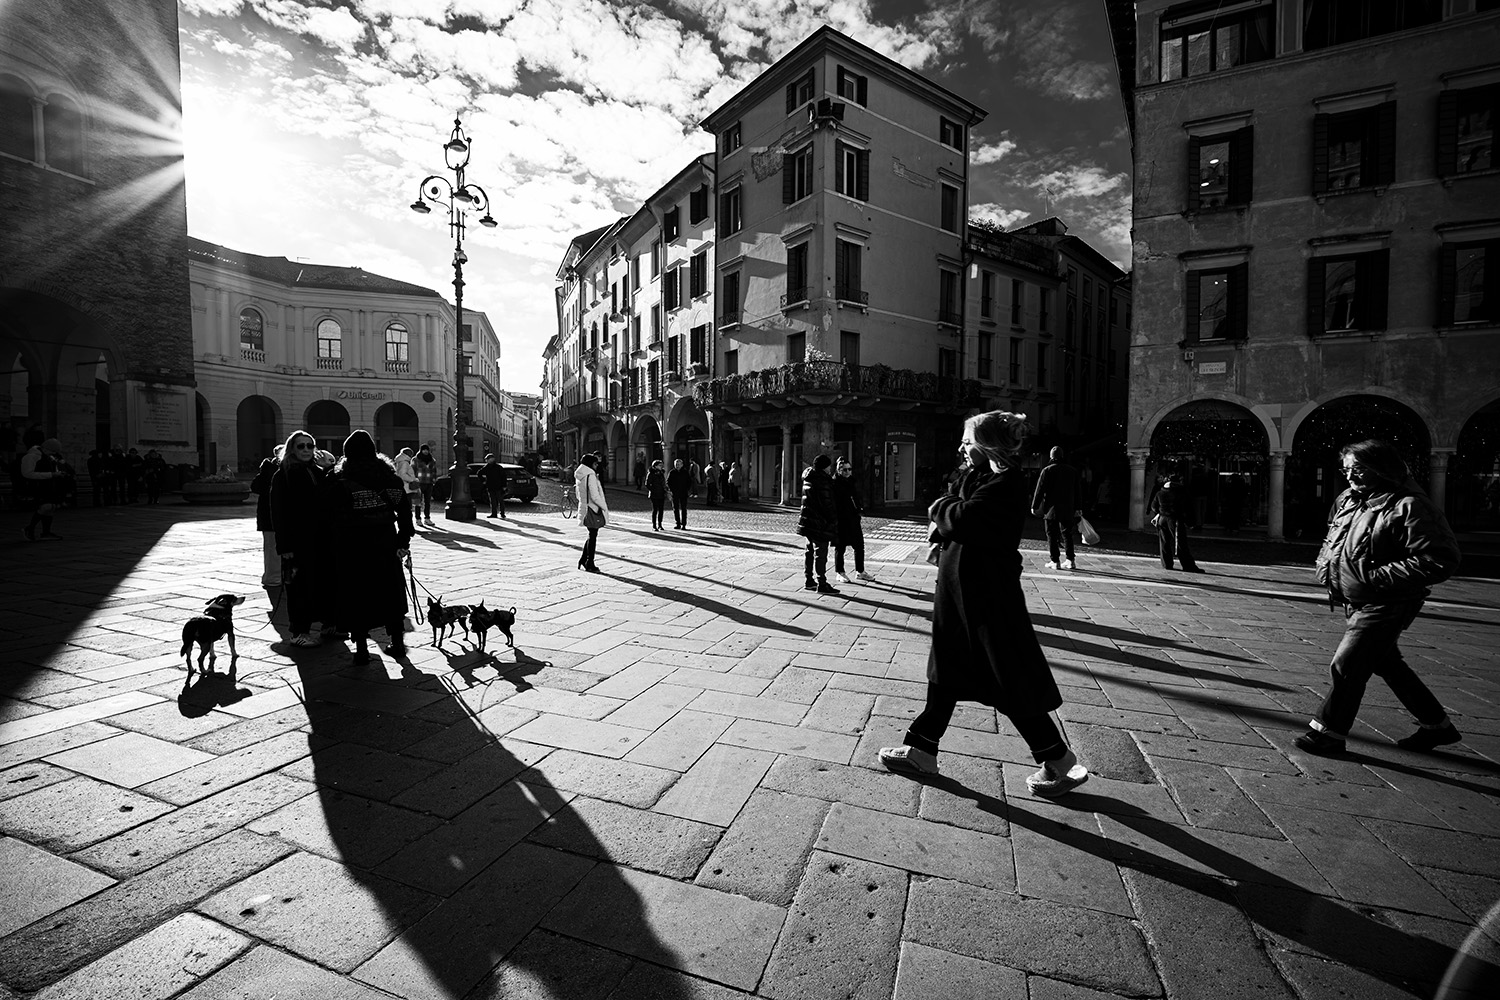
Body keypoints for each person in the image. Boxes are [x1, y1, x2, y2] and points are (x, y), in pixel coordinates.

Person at [879, 411, 1088, 797]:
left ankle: (1059, 760)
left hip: (987, 601)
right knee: (947, 673)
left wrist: (938, 509)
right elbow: (958, 515)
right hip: (963, 598)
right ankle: (922, 749)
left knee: (1008, 681)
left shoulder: (1006, 485)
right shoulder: (982, 478)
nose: (961, 446)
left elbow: (961, 517)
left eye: (967, 440)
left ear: (987, 444)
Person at [1294, 440, 1464, 756]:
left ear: (1381, 468)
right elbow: (1333, 539)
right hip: (1355, 598)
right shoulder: (1348, 499)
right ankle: (1437, 726)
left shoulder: (1409, 505)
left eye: (1358, 469)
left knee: (1348, 664)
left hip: (1388, 601)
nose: (1350, 476)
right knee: (1389, 664)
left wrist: (1376, 578)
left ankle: (1328, 734)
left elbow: (1441, 557)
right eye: (1346, 469)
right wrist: (1325, 567)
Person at [326, 430, 414, 664]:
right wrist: (402, 542)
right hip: (384, 541)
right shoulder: (390, 480)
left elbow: (328, 516)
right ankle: (397, 641)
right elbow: (405, 515)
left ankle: (362, 649)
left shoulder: (337, 481)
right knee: (390, 592)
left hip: (350, 544)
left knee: (356, 594)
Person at [271, 430, 332, 647]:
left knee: (321, 583)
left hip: (319, 539)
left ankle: (327, 623)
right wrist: (284, 545)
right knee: (298, 588)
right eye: (301, 446)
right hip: (297, 541)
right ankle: (299, 632)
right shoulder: (283, 475)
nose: (306, 450)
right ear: (291, 449)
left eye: (310, 445)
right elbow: (278, 513)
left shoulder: (316, 471)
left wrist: (328, 467)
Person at [1032, 446, 1081, 570]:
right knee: (1067, 534)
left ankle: (1055, 560)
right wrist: (1078, 507)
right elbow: (1078, 491)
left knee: (1051, 534)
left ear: (1051, 457)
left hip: (1051, 508)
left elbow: (1039, 490)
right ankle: (1070, 560)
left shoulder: (1047, 470)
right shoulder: (1072, 471)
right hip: (1068, 507)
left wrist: (1034, 506)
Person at [797, 453, 840, 594]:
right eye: (829, 466)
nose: (830, 469)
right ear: (824, 467)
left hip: (809, 520)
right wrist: (834, 518)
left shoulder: (809, 478)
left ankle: (809, 580)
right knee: (821, 553)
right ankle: (822, 583)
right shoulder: (822, 481)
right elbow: (827, 504)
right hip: (819, 522)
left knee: (810, 551)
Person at [1148, 471, 1202, 573]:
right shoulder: (1181, 492)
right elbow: (1187, 507)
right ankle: (1188, 565)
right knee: (1180, 543)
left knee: (1164, 542)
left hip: (1162, 519)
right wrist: (1191, 522)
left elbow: (1154, 507)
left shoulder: (1160, 492)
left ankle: (1167, 564)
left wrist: (1162, 511)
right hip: (1175, 519)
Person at [19, 431, 68, 541]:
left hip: (49, 485)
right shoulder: (32, 456)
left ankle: (46, 532)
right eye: (52, 452)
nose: (53, 455)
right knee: (46, 507)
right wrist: (51, 474)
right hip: (36, 485)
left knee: (51, 508)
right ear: (46, 449)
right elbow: (27, 473)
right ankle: (29, 528)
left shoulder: (47, 456)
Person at [833, 457, 874, 584]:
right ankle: (840, 572)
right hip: (841, 519)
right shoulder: (835, 483)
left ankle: (860, 571)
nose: (847, 472)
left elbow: (856, 497)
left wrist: (859, 509)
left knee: (859, 545)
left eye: (849, 469)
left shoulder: (852, 481)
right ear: (839, 470)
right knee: (840, 546)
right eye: (844, 469)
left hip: (853, 518)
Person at [249, 445, 284, 590]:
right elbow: (256, 487)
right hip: (269, 516)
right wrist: (266, 471)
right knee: (272, 548)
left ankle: (277, 576)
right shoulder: (270, 469)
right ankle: (273, 578)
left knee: (275, 548)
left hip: (274, 516)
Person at [575, 453, 607, 572]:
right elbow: (594, 495)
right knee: (593, 536)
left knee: (591, 534)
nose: (597, 465)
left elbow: (578, 494)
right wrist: (603, 507)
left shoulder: (580, 475)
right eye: (595, 463)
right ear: (590, 464)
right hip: (593, 509)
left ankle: (583, 559)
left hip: (585, 507)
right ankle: (590, 563)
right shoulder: (591, 475)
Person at [393, 447, 420, 527]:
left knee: (405, 507)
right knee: (407, 508)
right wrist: (412, 480)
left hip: (404, 487)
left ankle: (406, 523)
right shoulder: (405, 463)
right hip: (406, 487)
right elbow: (402, 474)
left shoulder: (400, 461)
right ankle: (407, 524)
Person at [411, 444, 437, 525]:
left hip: (429, 482)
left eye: (427, 450)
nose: (425, 451)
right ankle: (418, 519)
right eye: (424, 450)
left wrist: (434, 479)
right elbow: (412, 470)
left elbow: (434, 471)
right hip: (419, 482)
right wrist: (414, 480)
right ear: (421, 450)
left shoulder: (432, 460)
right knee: (418, 501)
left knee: (427, 501)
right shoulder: (415, 459)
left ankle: (427, 518)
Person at [479, 452, 509, 519]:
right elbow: (479, 473)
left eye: (487, 459)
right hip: (492, 486)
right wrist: (483, 480)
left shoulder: (498, 467)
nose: (486, 461)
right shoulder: (487, 467)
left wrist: (504, 485)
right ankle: (494, 513)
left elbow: (503, 477)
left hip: (498, 486)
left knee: (499, 500)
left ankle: (501, 513)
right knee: (493, 501)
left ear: (492, 459)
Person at [667, 457, 692, 529]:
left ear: (682, 465)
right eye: (676, 464)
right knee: (676, 508)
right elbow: (668, 482)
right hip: (675, 493)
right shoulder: (672, 472)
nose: (677, 465)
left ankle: (684, 524)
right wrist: (671, 490)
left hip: (683, 493)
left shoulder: (685, 472)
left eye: (679, 464)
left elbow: (689, 482)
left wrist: (687, 489)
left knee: (684, 509)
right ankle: (678, 523)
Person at [645, 459, 667, 531]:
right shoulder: (651, 473)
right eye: (660, 465)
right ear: (655, 466)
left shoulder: (661, 473)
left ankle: (660, 524)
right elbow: (647, 484)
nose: (661, 466)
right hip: (654, 494)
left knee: (661, 510)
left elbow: (663, 483)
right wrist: (653, 490)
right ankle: (654, 525)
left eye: (662, 465)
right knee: (655, 510)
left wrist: (665, 489)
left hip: (661, 493)